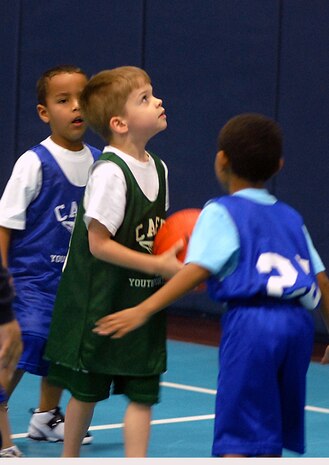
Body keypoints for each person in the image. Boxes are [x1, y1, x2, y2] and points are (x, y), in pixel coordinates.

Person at [93, 113, 329, 457]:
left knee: (239, 433)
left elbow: (197, 270)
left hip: (252, 326)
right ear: (278, 165)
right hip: (298, 328)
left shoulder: (221, 211)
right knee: (267, 431)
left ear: (222, 160)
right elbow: (321, 280)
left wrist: (143, 309)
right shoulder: (290, 216)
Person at [44, 66, 183, 458]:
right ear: (119, 123)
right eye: (145, 98)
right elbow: (99, 244)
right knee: (86, 392)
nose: (157, 101)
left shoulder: (160, 168)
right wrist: (158, 266)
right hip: (98, 300)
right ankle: (69, 456)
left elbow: (159, 236)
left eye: (153, 94)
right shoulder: (109, 172)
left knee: (143, 393)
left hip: (139, 301)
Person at [0, 65, 101, 456]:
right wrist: (4, 281)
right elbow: (4, 225)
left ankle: (45, 417)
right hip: (28, 279)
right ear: (45, 112)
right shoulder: (34, 162)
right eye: (64, 101)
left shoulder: (99, 161)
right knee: (25, 344)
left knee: (61, 348)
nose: (76, 107)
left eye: (82, 99)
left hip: (70, 281)